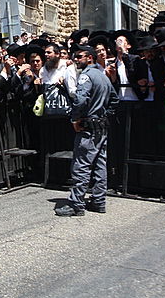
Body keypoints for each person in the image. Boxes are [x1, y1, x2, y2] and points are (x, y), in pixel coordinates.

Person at [55, 45, 119, 216]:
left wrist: (75, 119)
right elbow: (114, 99)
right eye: (75, 56)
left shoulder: (87, 76)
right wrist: (103, 115)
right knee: (99, 165)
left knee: (81, 166)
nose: (76, 59)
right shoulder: (102, 76)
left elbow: (80, 99)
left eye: (80, 56)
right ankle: (99, 201)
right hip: (101, 127)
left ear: (90, 58)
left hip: (89, 128)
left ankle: (76, 204)